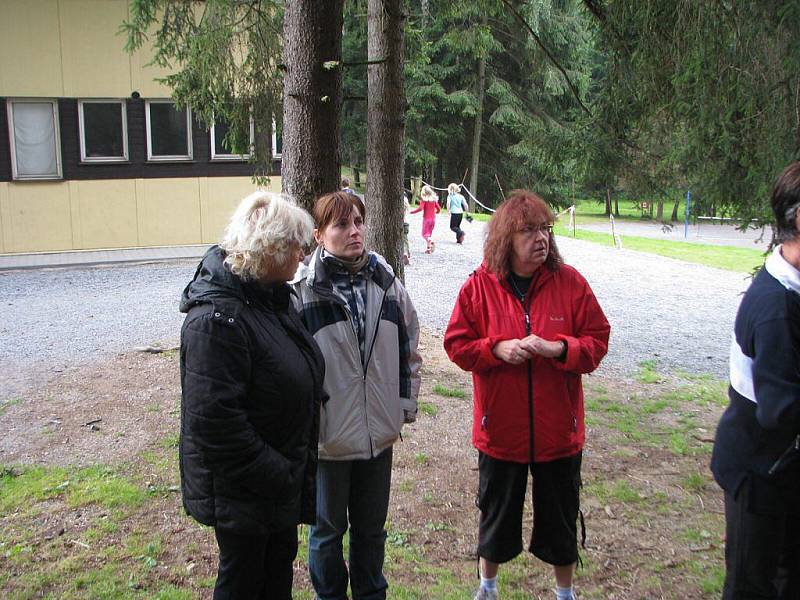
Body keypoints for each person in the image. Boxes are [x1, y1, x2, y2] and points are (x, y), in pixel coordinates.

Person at [443, 190, 610, 600]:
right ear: (505, 238)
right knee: (496, 516)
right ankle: (488, 586)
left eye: (546, 229)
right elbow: (457, 344)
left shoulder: (571, 284)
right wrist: (495, 349)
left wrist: (560, 349)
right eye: (529, 231)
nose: (542, 239)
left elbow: (598, 341)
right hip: (501, 432)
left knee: (561, 519)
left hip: (559, 433)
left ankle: (564, 592)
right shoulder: (479, 287)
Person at [178, 191, 326, 600]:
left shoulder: (270, 299)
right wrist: (280, 473)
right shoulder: (216, 320)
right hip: (248, 489)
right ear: (271, 246)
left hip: (275, 483)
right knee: (244, 581)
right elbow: (216, 425)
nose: (302, 253)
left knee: (275, 576)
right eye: (296, 244)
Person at [291, 191, 422, 600]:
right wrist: (308, 423)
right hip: (328, 438)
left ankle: (370, 594)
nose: (354, 232)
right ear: (318, 235)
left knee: (372, 530)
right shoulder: (302, 290)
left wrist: (403, 405)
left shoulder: (384, 279)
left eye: (359, 222)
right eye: (342, 225)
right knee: (327, 531)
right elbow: (292, 369)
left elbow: (409, 344)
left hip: (378, 433)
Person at [711, 162, 800, 599]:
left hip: (786, 468)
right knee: (751, 587)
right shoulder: (775, 306)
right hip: (759, 471)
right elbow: (780, 408)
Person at [410, 184, 441, 253]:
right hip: (433, 219)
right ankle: (428, 249)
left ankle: (430, 241)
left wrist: (412, 212)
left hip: (426, 219)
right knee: (429, 233)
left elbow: (420, 208)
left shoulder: (424, 200)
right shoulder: (434, 200)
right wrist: (437, 212)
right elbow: (439, 208)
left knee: (424, 234)